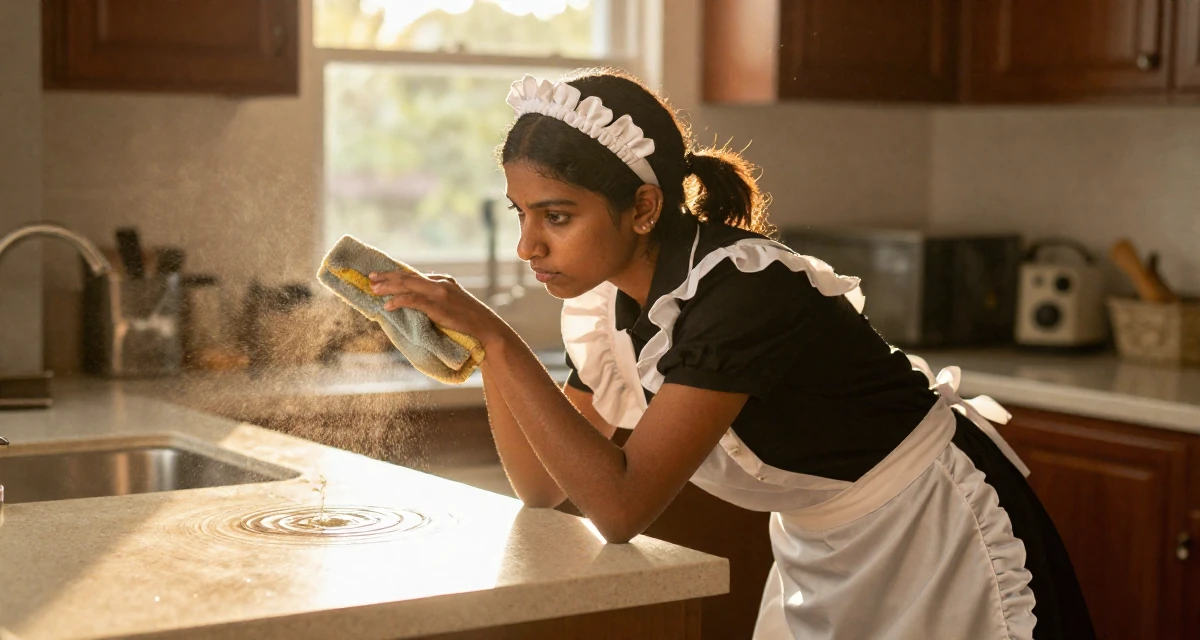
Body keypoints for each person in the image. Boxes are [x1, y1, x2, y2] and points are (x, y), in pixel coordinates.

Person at [367, 68, 1096, 640]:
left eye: (557, 217)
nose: (530, 245)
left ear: (644, 208)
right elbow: (540, 485)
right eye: (521, 215)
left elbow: (620, 507)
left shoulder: (740, 293)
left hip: (929, 532)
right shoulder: (606, 303)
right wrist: (485, 347)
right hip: (826, 547)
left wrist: (497, 336)